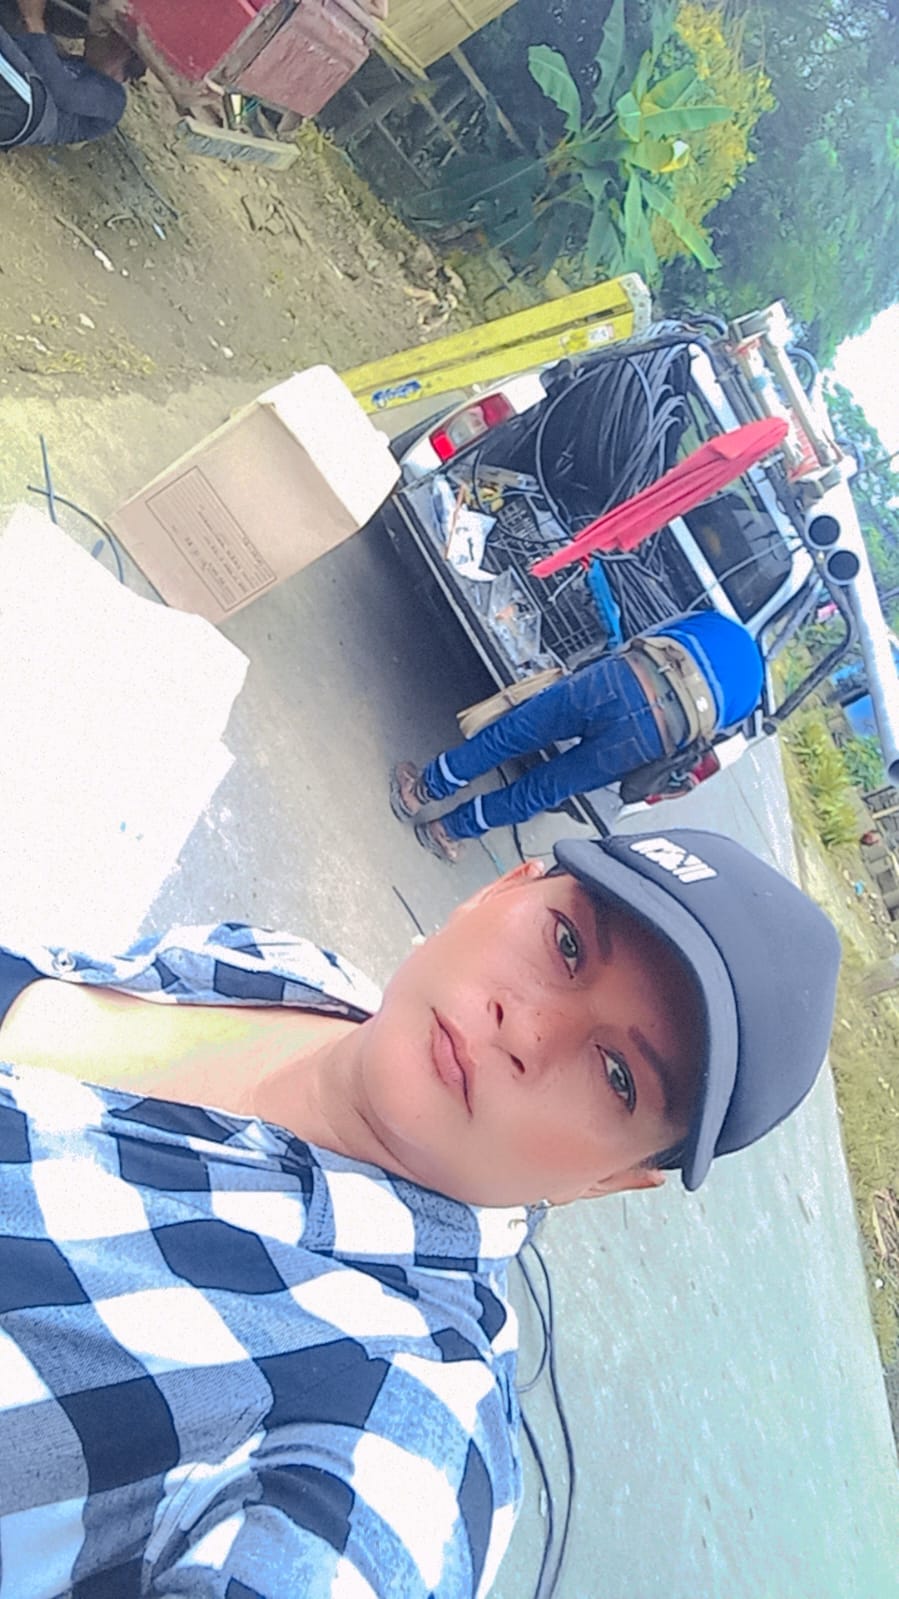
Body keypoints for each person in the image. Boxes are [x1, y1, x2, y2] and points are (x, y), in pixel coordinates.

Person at [0, 827, 840, 1596]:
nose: (528, 1027)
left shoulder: (395, 1414)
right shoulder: (287, 971)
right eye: (566, 944)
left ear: (612, 1180)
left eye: (617, 1074)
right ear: (501, 888)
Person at [391, 609, 765, 862]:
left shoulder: (718, 623)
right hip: (653, 736)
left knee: (513, 734)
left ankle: (419, 792)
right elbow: (702, 740)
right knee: (543, 790)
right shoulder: (750, 697)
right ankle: (447, 830)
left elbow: (648, 636)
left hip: (623, 678)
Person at [0, 0, 125, 152]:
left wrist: (34, 21)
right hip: (20, 99)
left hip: (28, 106)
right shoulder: (80, 65)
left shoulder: (114, 97)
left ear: (120, 46)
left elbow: (63, 94)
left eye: (104, 30)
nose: (91, 34)